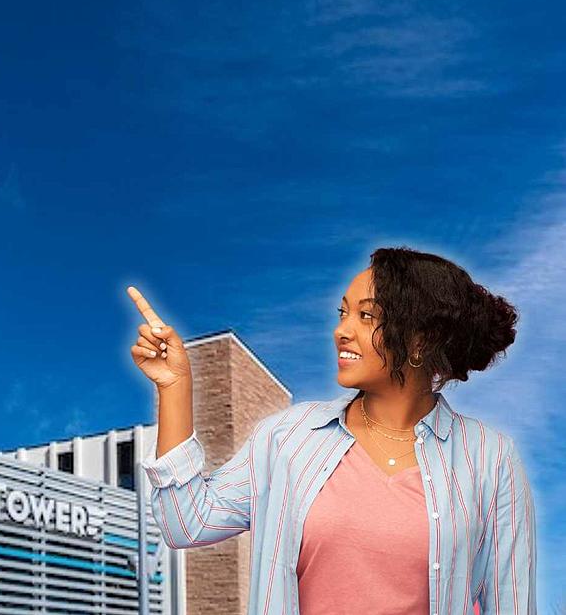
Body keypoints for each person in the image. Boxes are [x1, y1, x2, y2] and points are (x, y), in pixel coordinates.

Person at [128, 246, 537, 615]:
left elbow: (511, 602)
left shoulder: (489, 458)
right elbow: (186, 522)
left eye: (366, 316)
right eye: (343, 313)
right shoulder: (289, 437)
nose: (341, 330)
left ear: (419, 341)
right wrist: (175, 387)